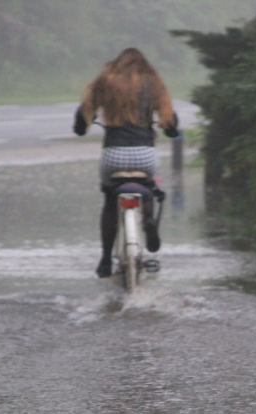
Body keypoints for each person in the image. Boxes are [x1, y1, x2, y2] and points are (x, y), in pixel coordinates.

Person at [73, 48, 179, 278]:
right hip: (144, 156)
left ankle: (105, 259)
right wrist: (170, 130)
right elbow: (170, 123)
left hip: (114, 156)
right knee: (149, 184)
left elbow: (82, 119)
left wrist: (81, 126)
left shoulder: (105, 81)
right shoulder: (153, 84)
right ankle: (148, 217)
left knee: (110, 201)